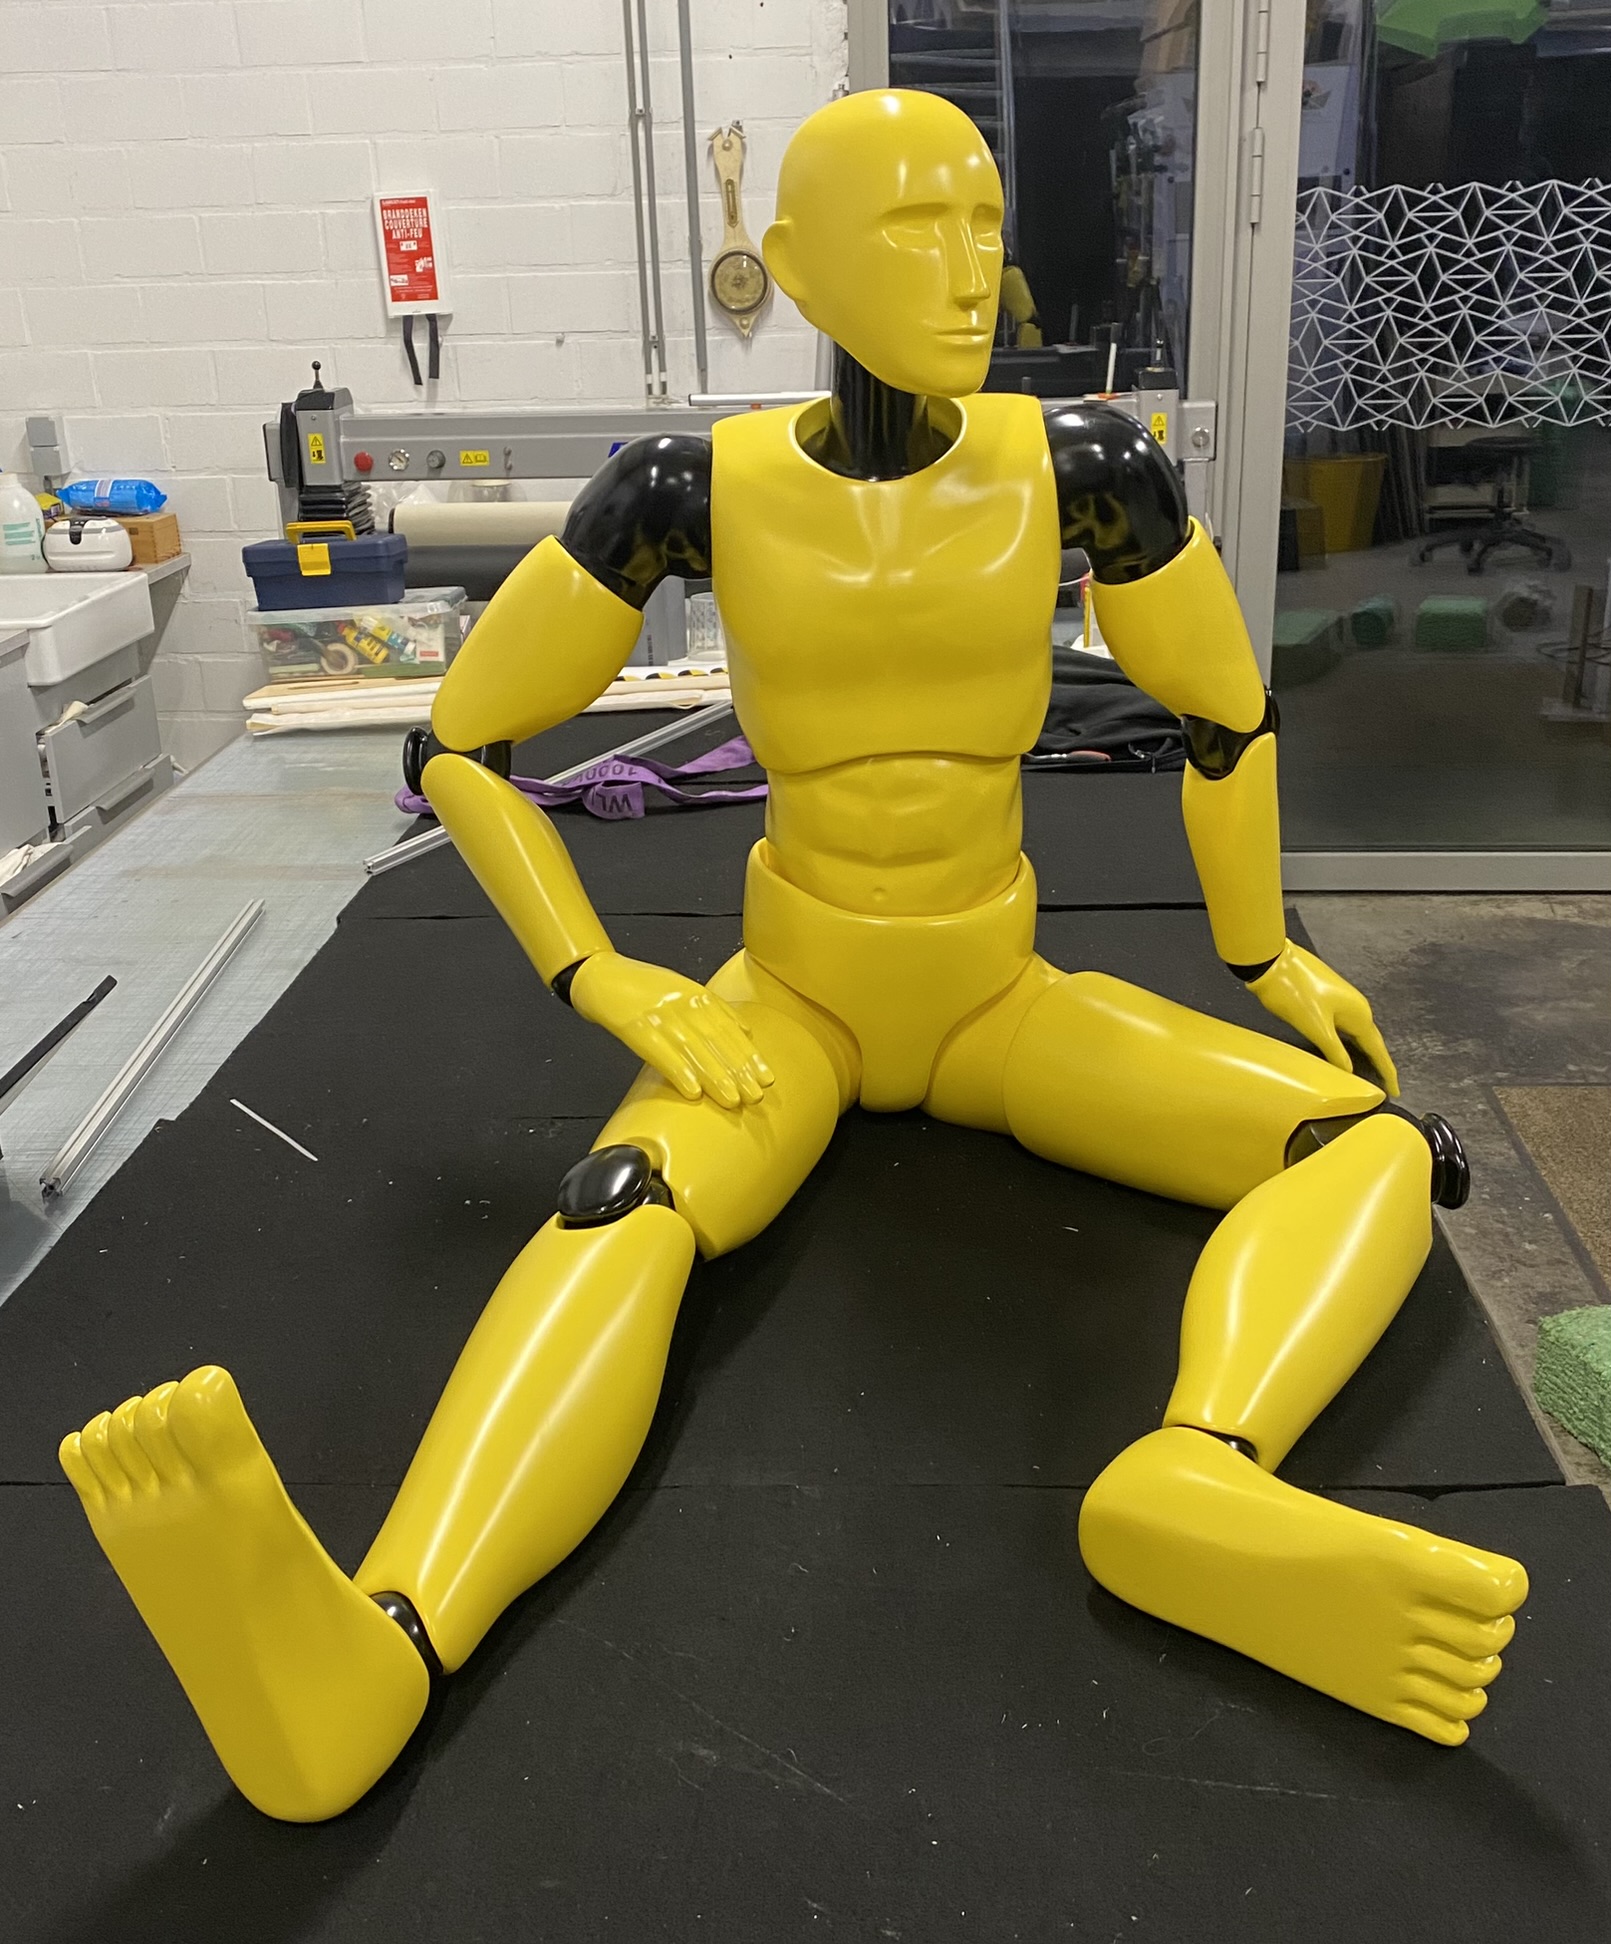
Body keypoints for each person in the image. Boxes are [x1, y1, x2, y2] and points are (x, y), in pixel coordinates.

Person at [60, 89, 1526, 1824]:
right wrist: (599, 975)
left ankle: (1199, 1475)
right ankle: (386, 1640)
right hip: (794, 1006)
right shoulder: (687, 489)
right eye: (917, 227)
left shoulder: (1088, 470)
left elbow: (1224, 714)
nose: (972, 268)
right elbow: (458, 744)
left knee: (1370, 1146)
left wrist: (1269, 957)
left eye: (985, 224)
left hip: (994, 1000)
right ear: (800, 264)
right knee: (621, 1209)